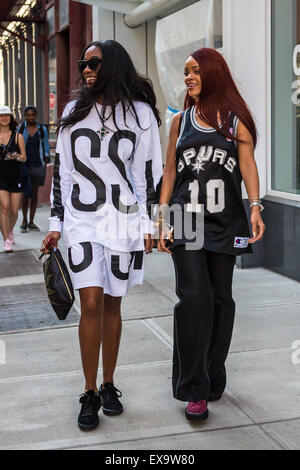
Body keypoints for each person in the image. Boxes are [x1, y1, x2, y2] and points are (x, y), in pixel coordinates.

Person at [41, 40, 162, 431]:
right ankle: (89, 390)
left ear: (113, 66)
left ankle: (110, 383)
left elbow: (146, 176)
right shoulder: (75, 112)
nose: (86, 69)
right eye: (83, 63)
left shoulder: (140, 114)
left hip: (123, 220)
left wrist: (148, 222)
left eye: (93, 63)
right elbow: (63, 173)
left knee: (113, 303)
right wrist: (56, 223)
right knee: (89, 302)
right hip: (82, 220)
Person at [157, 47, 265, 421]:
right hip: (186, 220)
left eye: (195, 70)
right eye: (185, 71)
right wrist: (161, 216)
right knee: (194, 298)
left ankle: (212, 374)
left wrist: (255, 207)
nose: (188, 77)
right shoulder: (179, 122)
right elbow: (170, 172)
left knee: (220, 299)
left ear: (212, 73)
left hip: (225, 221)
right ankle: (194, 389)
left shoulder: (235, 122)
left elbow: (248, 166)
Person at [18, 105, 50, 232]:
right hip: (25, 166)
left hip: (38, 165)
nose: (31, 117)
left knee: (35, 194)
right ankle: (24, 220)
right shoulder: (21, 129)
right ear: (25, 116)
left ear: (36, 115)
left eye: (33, 115)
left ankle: (31, 221)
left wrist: (45, 163)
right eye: (28, 115)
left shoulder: (42, 130)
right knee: (26, 193)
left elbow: (46, 147)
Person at [0, 105, 26, 252]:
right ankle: (6, 240)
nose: (4, 118)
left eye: (6, 116)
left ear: (10, 118)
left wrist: (16, 156)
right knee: (4, 207)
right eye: (1, 116)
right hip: (0, 176)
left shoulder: (18, 136)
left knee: (14, 211)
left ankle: (9, 231)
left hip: (15, 175)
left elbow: (24, 158)